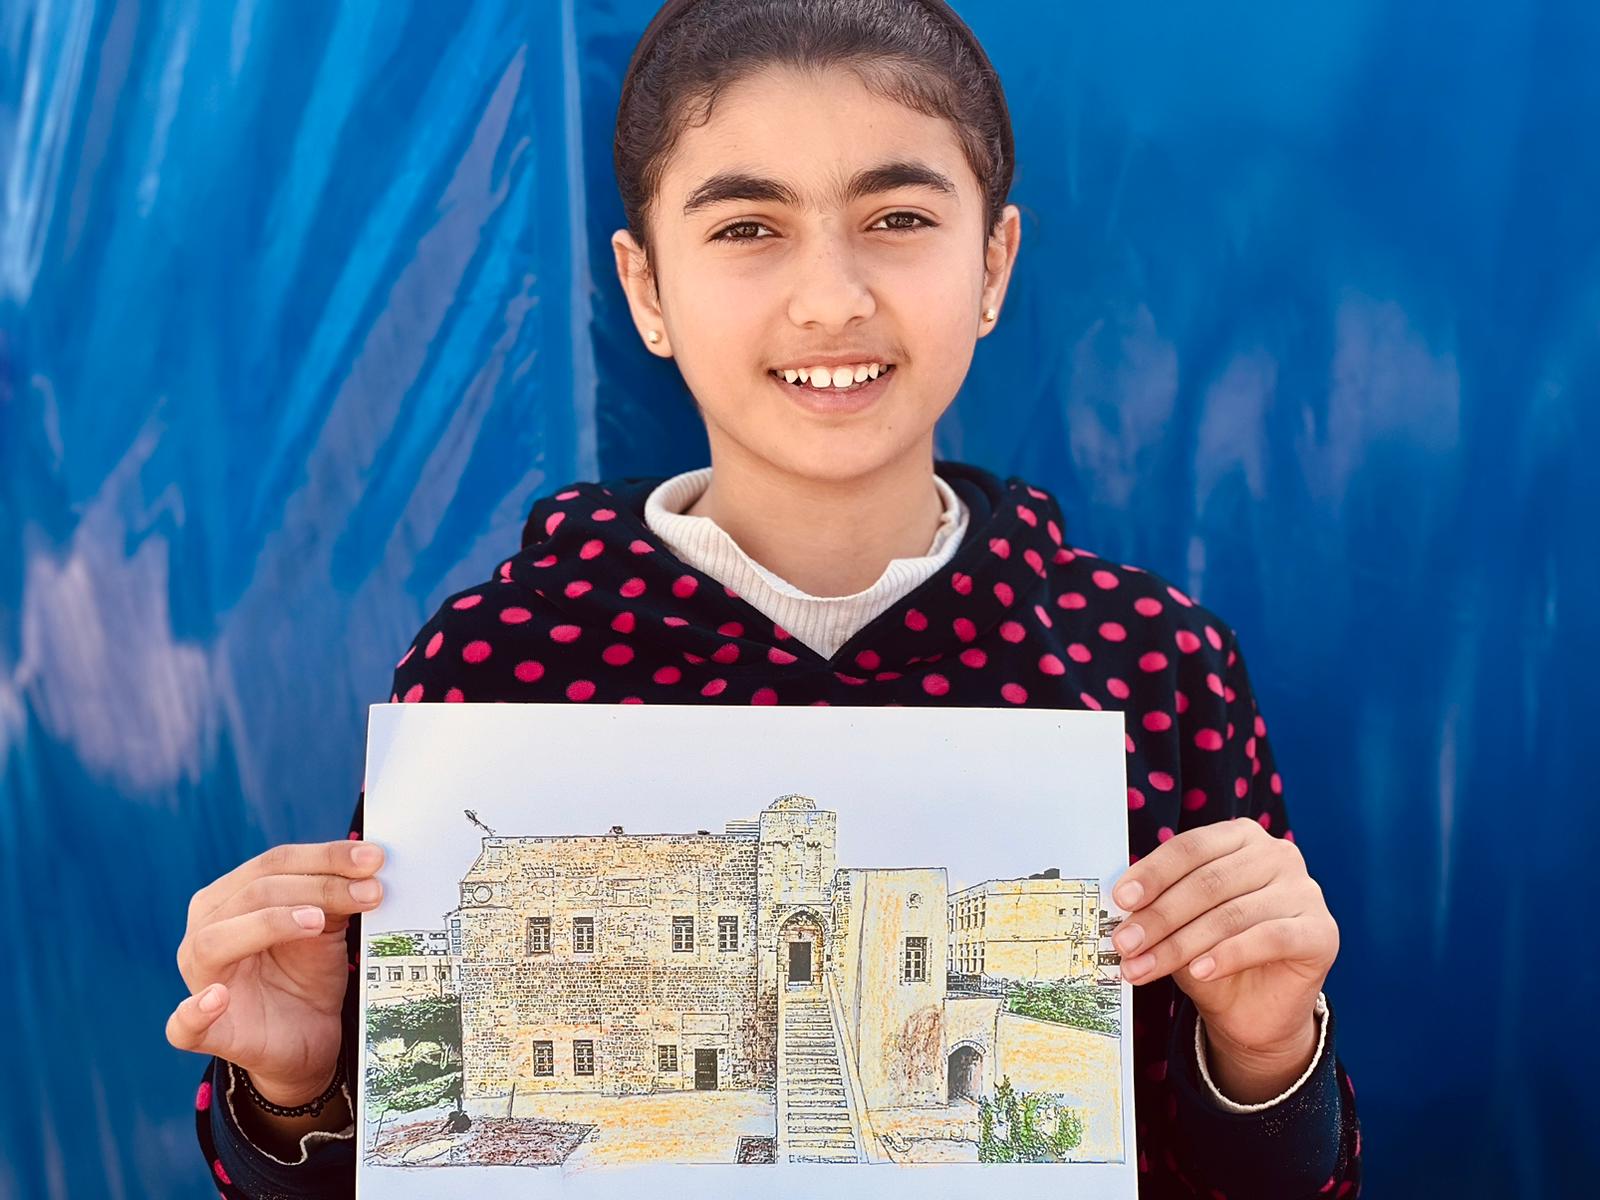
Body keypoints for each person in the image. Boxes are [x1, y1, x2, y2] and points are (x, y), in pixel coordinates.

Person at [166, 1, 1362, 1196]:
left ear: (992, 264)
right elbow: (409, 1163)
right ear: (645, 287)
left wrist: (1262, 1055)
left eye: (896, 218)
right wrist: (298, 1091)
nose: (830, 298)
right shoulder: (495, 667)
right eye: (747, 226)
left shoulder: (1147, 664)